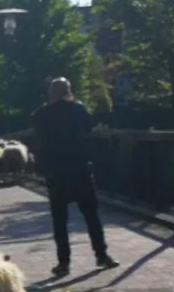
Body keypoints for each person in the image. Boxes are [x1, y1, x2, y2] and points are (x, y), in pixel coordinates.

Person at [33, 77, 119, 277]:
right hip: (79, 168)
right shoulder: (78, 109)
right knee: (91, 216)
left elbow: (40, 139)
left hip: (56, 172)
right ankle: (102, 255)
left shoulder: (41, 113)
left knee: (60, 220)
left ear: (51, 93)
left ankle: (64, 263)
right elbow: (89, 127)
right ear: (69, 91)